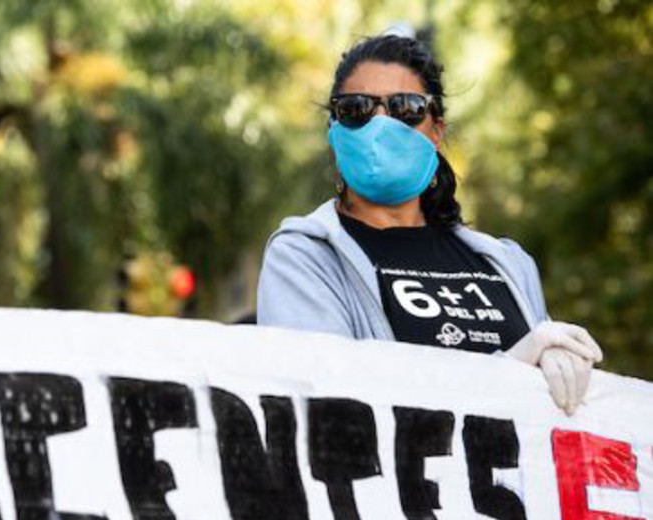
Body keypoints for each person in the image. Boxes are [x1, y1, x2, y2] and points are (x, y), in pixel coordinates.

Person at [257, 34, 602, 415]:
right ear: (334, 129)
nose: (380, 125)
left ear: (436, 130)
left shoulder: (509, 265)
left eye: (406, 108)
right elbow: (330, 411)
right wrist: (510, 370)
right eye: (356, 109)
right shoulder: (303, 258)